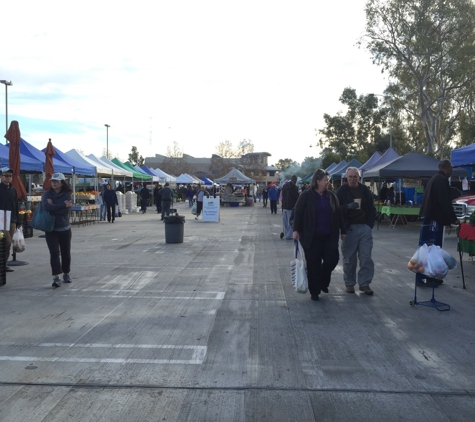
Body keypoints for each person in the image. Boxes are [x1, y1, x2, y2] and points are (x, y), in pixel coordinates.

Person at [292, 169, 346, 301]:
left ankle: (323, 280)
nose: (327, 183)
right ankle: (314, 291)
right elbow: (297, 213)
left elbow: (338, 214)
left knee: (332, 259)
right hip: (311, 237)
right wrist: (296, 230)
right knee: (313, 264)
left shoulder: (332, 196)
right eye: (325, 180)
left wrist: (343, 230)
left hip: (329, 236)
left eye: (328, 180)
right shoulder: (306, 195)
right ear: (317, 181)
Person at [336, 167, 377, 295]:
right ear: (346, 178)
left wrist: (369, 225)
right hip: (349, 229)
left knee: (366, 257)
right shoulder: (341, 191)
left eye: (355, 177)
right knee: (349, 258)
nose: (353, 179)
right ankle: (349, 283)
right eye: (350, 177)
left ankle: (365, 284)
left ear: (359, 177)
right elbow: (336, 209)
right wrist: (347, 207)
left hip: (364, 228)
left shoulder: (364, 190)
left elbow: (371, 208)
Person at [418, 160, 459, 285]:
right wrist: (453, 218)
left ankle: (423, 277)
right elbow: (444, 202)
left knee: (426, 249)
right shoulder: (441, 180)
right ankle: (428, 277)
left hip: (429, 218)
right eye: (451, 168)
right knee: (433, 250)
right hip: (434, 220)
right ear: (447, 168)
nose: (452, 171)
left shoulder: (434, 178)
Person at [41, 173, 73, 287]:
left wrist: (54, 206)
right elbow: (46, 207)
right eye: (52, 181)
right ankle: (56, 276)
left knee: (66, 252)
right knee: (54, 253)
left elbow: (66, 211)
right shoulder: (47, 193)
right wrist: (61, 205)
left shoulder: (67, 195)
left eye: (56, 181)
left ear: (62, 183)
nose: (54, 183)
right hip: (51, 229)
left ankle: (66, 273)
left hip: (64, 228)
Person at [0, 167, 19, 272]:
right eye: (6, 176)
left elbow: (16, 205)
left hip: (12, 219)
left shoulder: (13, 190)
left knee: (9, 242)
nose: (8, 178)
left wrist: (18, 220)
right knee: (5, 241)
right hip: (1, 218)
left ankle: (4, 264)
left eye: (10, 176)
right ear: (1, 176)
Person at [281, 175, 300, 240]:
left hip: (284, 205)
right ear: (295, 180)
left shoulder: (285, 186)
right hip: (291, 206)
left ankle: (286, 234)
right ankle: (288, 235)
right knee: (290, 221)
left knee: (285, 221)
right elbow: (296, 197)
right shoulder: (294, 187)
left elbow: (282, 194)